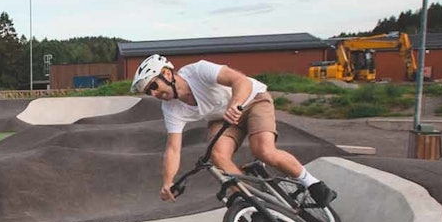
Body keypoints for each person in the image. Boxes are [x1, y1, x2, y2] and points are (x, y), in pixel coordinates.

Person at [129, 54, 336, 206]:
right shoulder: (171, 108)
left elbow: (240, 80)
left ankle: (314, 184)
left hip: (251, 100)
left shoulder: (198, 71)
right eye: (149, 92)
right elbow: (173, 149)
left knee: (263, 150)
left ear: (167, 74)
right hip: (223, 118)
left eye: (154, 86)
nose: (154, 94)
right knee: (218, 156)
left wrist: (235, 104)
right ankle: (257, 205)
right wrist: (167, 182)